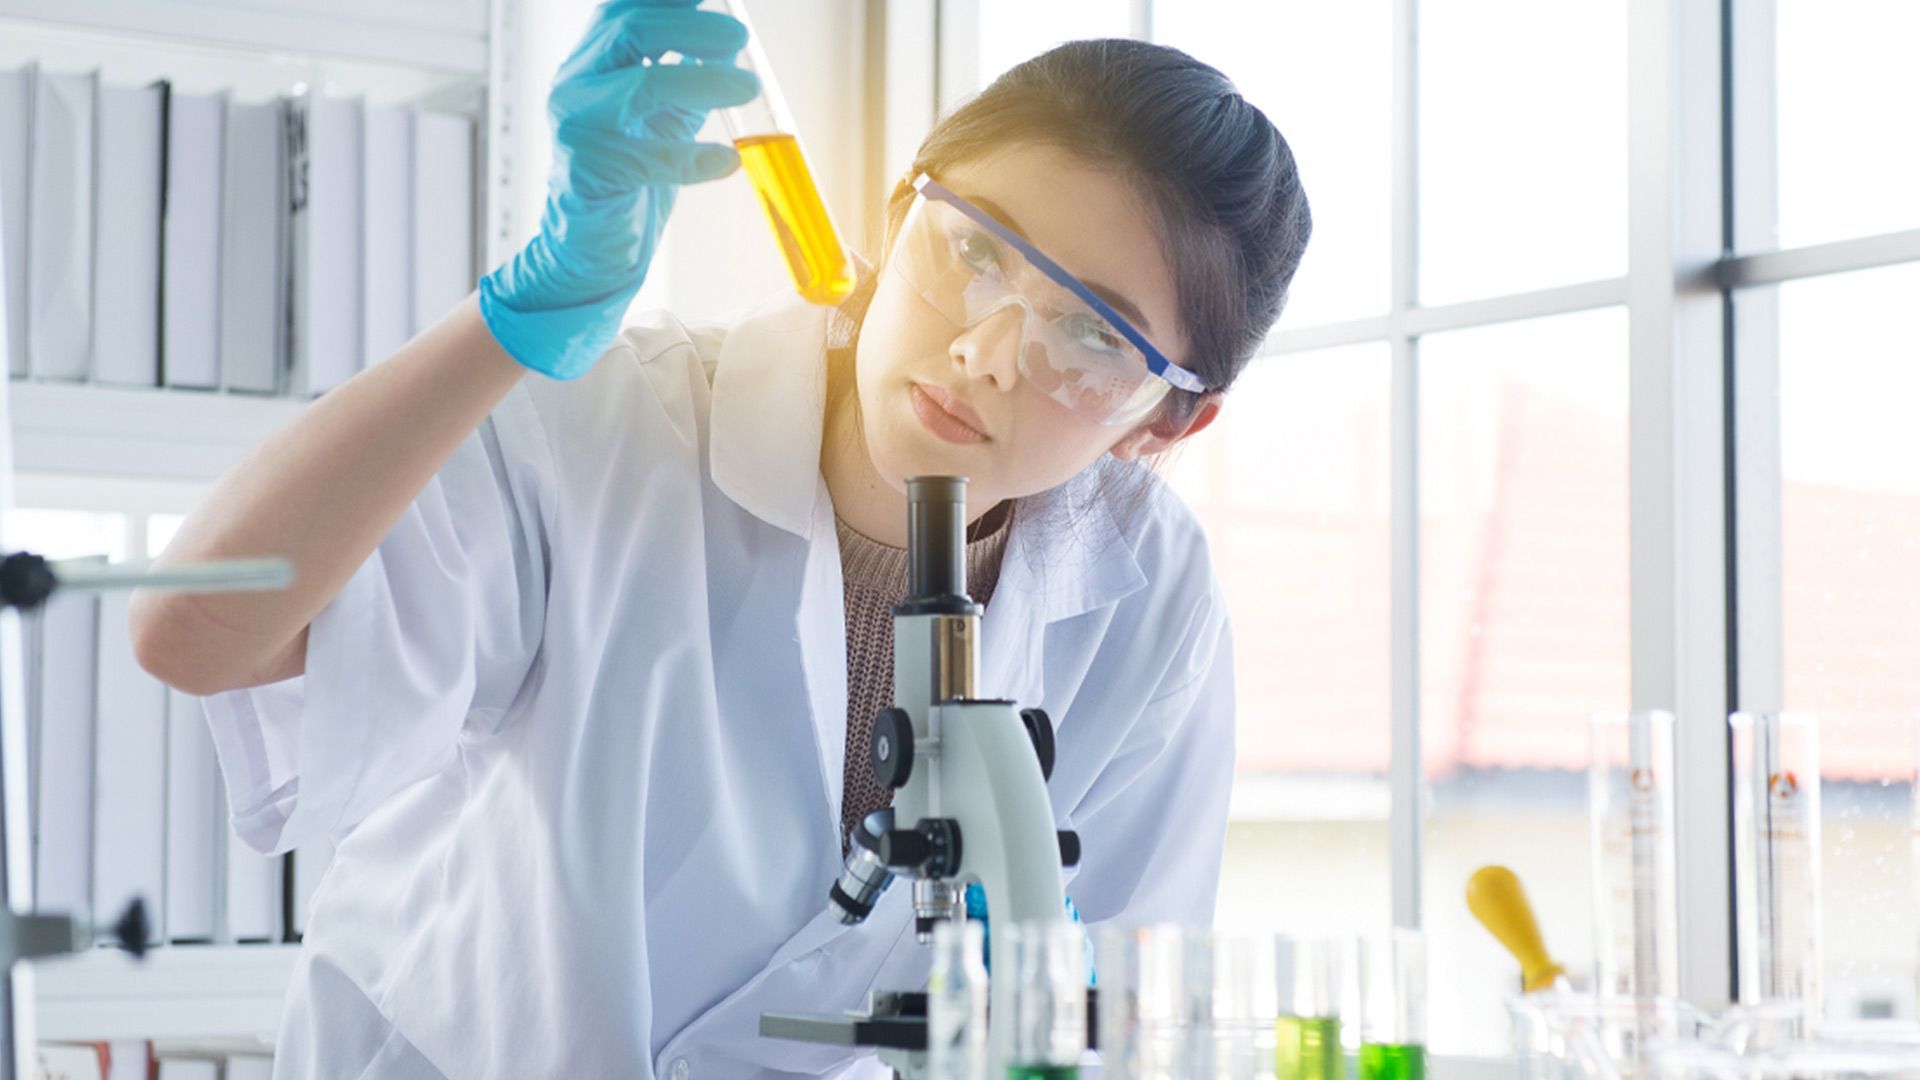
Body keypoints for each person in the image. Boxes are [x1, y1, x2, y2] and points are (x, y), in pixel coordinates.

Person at [129, 1, 1311, 1076]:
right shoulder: (608, 423)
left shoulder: (1151, 601)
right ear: (903, 213)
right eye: (975, 249)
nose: (989, 348)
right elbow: (192, 631)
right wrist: (516, 317)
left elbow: (1110, 1022)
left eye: (1088, 335)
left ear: (1171, 418)